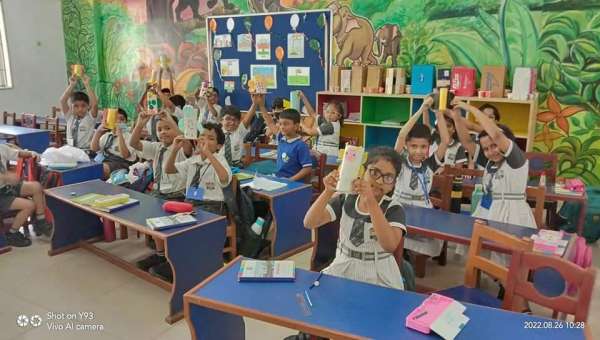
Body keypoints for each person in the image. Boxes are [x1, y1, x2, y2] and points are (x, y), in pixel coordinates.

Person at [304, 147, 406, 289]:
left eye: (388, 177)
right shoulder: (347, 198)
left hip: (378, 271)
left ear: (394, 183)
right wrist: (328, 192)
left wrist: (371, 201)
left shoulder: (394, 208)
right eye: (374, 172)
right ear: (363, 171)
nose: (378, 181)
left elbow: (389, 245)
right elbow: (309, 222)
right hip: (343, 265)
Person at [452, 100, 536, 229]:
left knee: (503, 246)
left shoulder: (516, 159)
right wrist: (457, 117)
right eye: (486, 148)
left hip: (512, 215)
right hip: (487, 209)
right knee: (473, 243)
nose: (491, 152)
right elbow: (466, 142)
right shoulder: (490, 161)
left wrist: (470, 108)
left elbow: (496, 135)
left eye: (494, 146)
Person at [393, 95, 450, 258]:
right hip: (400, 205)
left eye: (423, 147)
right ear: (406, 146)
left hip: (422, 209)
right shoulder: (399, 161)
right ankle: (402, 253)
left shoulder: (430, 164)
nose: (419, 151)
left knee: (434, 237)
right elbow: (402, 134)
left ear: (429, 147)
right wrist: (421, 109)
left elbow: (445, 141)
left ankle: (405, 253)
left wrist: (438, 112)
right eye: (414, 146)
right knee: (393, 231)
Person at [165, 123, 231, 215]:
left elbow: (224, 179)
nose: (205, 140)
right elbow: (169, 170)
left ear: (219, 146)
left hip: (212, 205)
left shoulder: (219, 159)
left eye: (210, 138)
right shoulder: (194, 159)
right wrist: (174, 150)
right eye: (202, 136)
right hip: (190, 203)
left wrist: (208, 153)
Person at [129, 110, 191, 200]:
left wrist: (170, 120)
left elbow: (184, 140)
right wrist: (140, 125)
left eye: (168, 128)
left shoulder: (181, 148)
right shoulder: (157, 147)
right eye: (159, 130)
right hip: (158, 192)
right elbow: (133, 143)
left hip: (177, 195)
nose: (163, 132)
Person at [0, 145, 52, 247]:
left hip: (6, 187)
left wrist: (31, 153)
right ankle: (12, 233)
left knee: (36, 187)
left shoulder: (1, 147)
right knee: (29, 205)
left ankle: (40, 222)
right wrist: (6, 177)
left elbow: (17, 153)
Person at [259, 99, 312, 182]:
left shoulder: (301, 145)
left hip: (293, 183)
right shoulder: (281, 138)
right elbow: (270, 123)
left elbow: (307, 168)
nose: (282, 127)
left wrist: (290, 180)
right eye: (280, 124)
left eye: (286, 124)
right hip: (278, 178)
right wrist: (261, 106)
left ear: (296, 126)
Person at [90, 108, 137, 179]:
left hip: (122, 163)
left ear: (126, 122)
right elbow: (94, 148)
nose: (118, 122)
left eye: (121, 119)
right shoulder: (108, 135)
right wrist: (98, 132)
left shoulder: (129, 137)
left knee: (100, 169)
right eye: (115, 119)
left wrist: (120, 134)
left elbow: (125, 155)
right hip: (106, 160)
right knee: (89, 166)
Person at [59, 73, 98, 150]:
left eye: (83, 106)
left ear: (88, 106)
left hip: (85, 150)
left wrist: (87, 84)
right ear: (71, 107)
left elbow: (95, 104)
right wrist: (72, 85)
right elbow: (62, 101)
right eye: (76, 106)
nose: (80, 109)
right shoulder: (70, 116)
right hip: (70, 149)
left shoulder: (90, 117)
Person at [299, 92, 343, 157]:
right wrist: (303, 98)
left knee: (302, 154)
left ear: (339, 116)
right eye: (327, 111)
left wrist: (301, 123)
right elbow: (312, 113)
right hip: (322, 153)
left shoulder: (331, 126)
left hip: (328, 157)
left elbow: (310, 132)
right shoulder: (327, 121)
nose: (329, 115)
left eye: (333, 113)